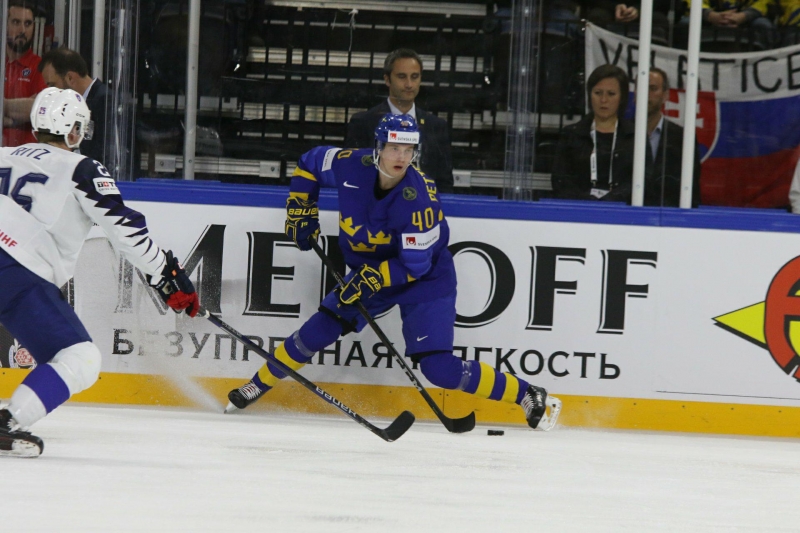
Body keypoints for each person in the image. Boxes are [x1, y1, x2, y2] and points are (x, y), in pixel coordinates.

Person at [226, 114, 561, 431]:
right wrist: (301, 208)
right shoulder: (349, 165)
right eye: (394, 148)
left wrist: (374, 278)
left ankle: (527, 394)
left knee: (439, 369)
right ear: (378, 147)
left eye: (408, 149)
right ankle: (255, 386)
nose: (401, 157)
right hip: (372, 272)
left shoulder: (419, 201)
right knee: (318, 330)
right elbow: (310, 162)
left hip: (426, 279)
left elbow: (416, 265)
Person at [0, 88, 200, 457]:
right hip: (17, 267)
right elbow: (126, 233)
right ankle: (9, 422)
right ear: (72, 130)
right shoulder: (81, 168)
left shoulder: (3, 155)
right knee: (79, 358)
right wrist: (166, 274)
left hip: (13, 269)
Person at [345, 49, 454, 194]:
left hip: (423, 211)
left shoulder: (436, 126)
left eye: (414, 77)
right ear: (387, 79)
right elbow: (351, 176)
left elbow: (444, 182)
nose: (409, 84)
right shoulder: (363, 123)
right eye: (402, 77)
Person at [551, 64, 635, 202]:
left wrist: (609, 202)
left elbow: (641, 182)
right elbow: (560, 180)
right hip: (579, 212)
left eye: (611, 94)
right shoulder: (572, 134)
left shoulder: (634, 137)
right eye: (598, 93)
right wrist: (587, 202)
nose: (603, 100)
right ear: (589, 95)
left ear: (622, 98)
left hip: (621, 214)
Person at [38, 47, 112, 166]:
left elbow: (107, 156)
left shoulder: (105, 101)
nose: (51, 92)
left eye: (52, 85)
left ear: (70, 78)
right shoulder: (72, 107)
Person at [641, 67, 702, 208]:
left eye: (653, 88)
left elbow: (691, 191)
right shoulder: (622, 132)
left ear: (665, 95)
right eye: (642, 88)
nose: (646, 94)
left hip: (670, 219)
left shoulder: (683, 138)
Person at [3, 0, 47, 147]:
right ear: (4, 24)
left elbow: (39, 108)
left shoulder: (41, 67)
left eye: (28, 24)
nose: (22, 30)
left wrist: (3, 106)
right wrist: (17, 112)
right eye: (16, 22)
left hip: (25, 160)